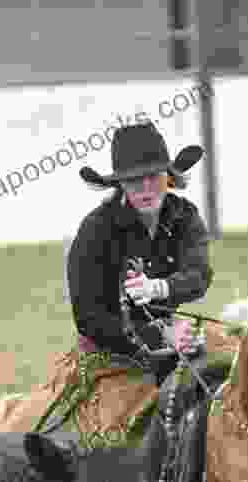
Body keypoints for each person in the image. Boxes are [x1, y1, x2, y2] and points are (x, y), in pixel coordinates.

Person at [68, 121, 210, 382]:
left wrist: (160, 288)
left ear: (169, 176)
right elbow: (89, 317)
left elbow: (199, 275)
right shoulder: (96, 229)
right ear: (120, 183)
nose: (146, 189)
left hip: (173, 334)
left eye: (154, 176)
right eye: (134, 180)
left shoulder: (185, 215)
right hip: (112, 351)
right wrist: (159, 336)